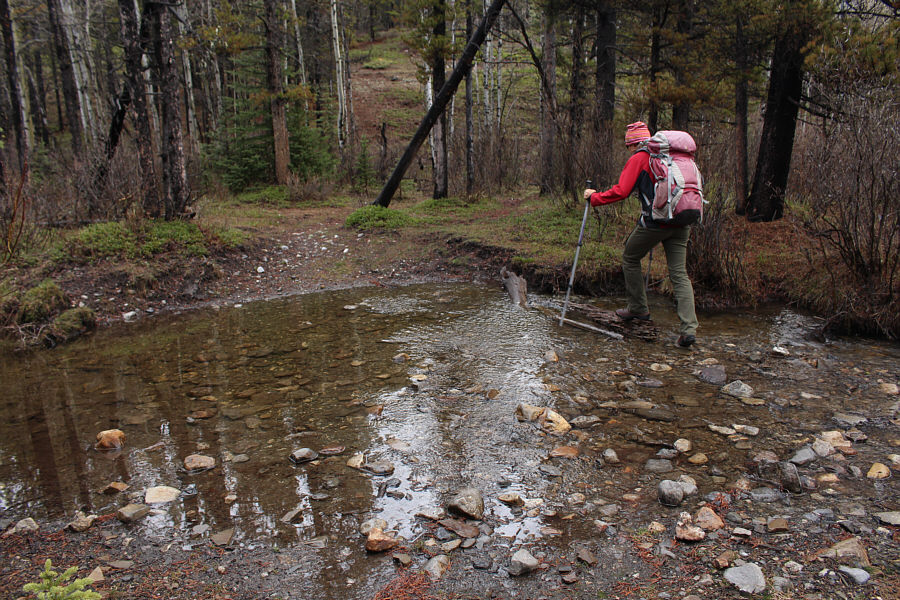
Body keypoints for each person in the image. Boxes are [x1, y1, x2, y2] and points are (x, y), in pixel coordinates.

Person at [583, 121, 699, 347]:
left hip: (657, 223)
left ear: (633, 143)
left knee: (630, 256)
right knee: (679, 274)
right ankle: (689, 330)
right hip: (682, 221)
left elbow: (621, 191)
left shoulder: (640, 158)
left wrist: (594, 198)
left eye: (628, 146)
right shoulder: (674, 157)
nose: (628, 150)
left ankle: (638, 309)